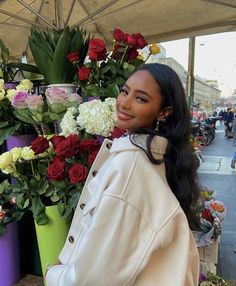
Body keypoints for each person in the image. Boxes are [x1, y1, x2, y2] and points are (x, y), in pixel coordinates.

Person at [45, 63, 201, 286]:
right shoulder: (152, 157)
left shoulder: (131, 165)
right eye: (125, 91)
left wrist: (54, 275)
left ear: (164, 112)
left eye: (141, 99)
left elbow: (96, 275)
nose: (124, 103)